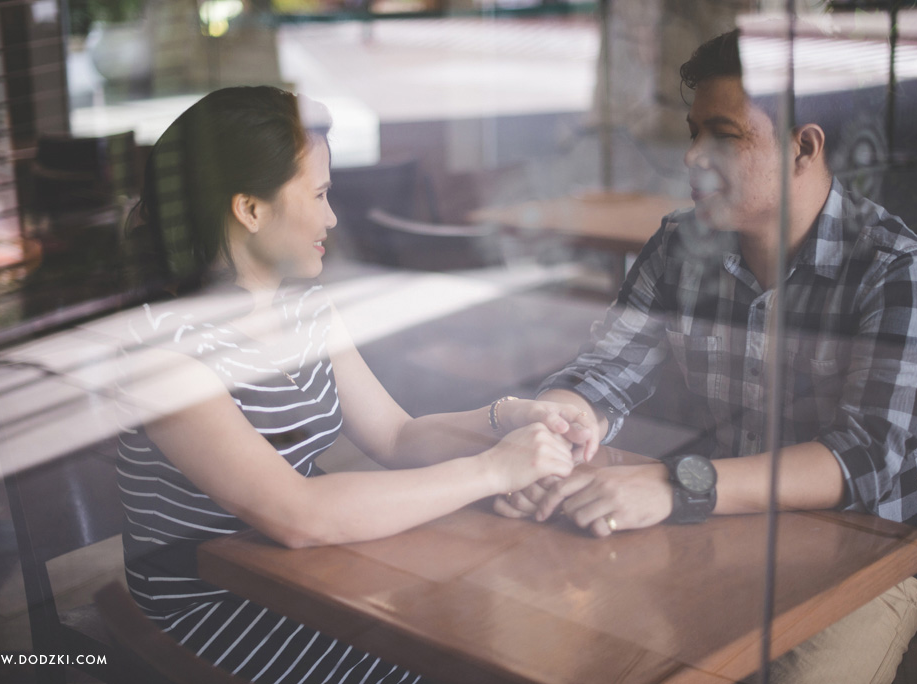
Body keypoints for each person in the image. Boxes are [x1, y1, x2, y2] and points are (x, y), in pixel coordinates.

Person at [496, 30, 917, 684]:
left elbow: (864, 458)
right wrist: (558, 422)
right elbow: (604, 374)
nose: (692, 157)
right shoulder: (681, 244)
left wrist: (674, 483)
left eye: (723, 134)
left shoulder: (896, 268)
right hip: (719, 536)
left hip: (866, 560)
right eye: (691, 131)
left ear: (805, 146)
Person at [115, 86, 594, 684]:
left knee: (476, 644)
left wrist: (508, 421)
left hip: (300, 578)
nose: (332, 217)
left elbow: (396, 435)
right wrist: (493, 471)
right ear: (250, 210)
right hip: (212, 604)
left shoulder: (304, 307)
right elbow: (299, 515)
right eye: (318, 195)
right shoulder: (167, 355)